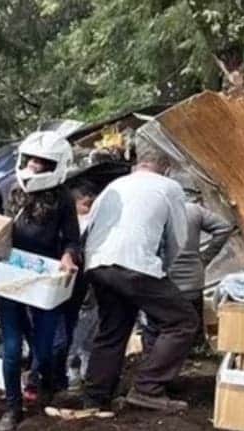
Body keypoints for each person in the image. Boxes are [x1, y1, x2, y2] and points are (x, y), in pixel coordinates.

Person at [81, 139, 196, 412]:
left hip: (98, 263)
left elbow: (90, 226)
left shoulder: (114, 185)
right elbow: (177, 238)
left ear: (137, 164)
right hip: (135, 263)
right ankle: (148, 387)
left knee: (113, 328)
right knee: (183, 321)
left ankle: (96, 397)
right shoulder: (169, 187)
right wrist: (163, 270)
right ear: (166, 168)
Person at [0, 131, 80, 431]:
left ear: (55, 166)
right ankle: (12, 407)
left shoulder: (63, 198)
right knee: (10, 348)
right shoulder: (7, 187)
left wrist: (69, 256)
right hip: (8, 275)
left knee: (45, 348)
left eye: (42, 161)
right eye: (30, 159)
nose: (33, 164)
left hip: (45, 277)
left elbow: (72, 239)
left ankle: (42, 380)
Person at [142, 196, 233, 352]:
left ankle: (155, 358)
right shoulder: (193, 210)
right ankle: (197, 357)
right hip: (192, 283)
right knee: (193, 327)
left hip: (161, 283)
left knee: (157, 330)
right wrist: (204, 257)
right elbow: (224, 227)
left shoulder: (152, 214)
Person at [51, 177, 102, 392]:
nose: (89, 209)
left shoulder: (90, 222)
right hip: (75, 286)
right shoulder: (73, 225)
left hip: (87, 286)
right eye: (86, 204)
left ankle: (82, 375)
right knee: (74, 335)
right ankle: (72, 375)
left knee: (86, 334)